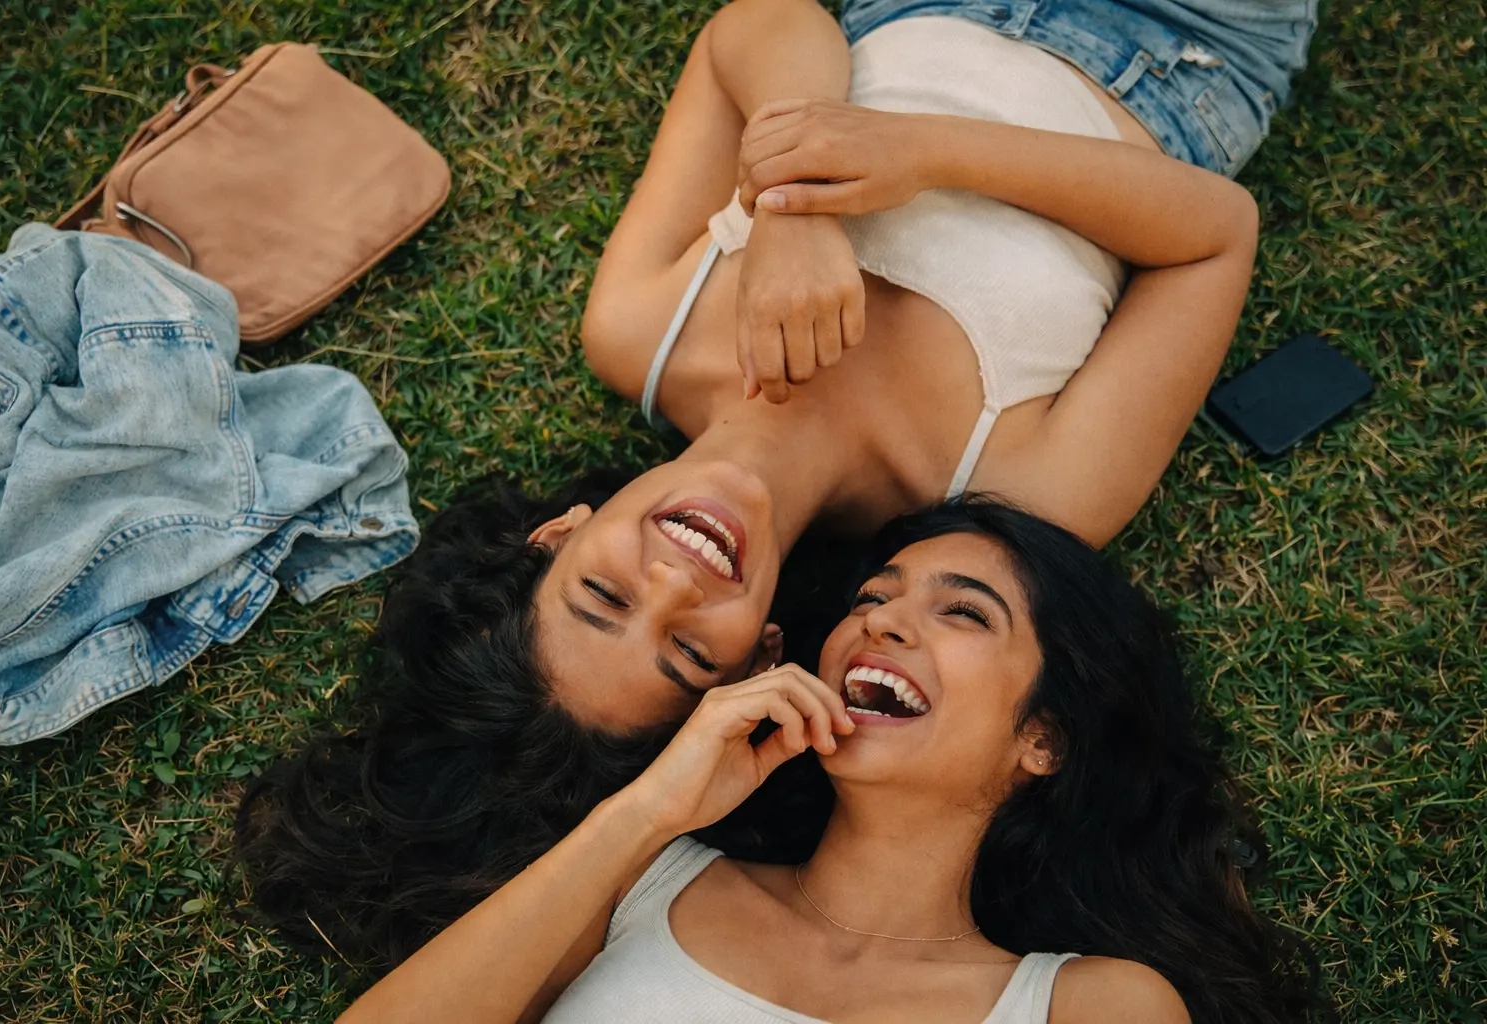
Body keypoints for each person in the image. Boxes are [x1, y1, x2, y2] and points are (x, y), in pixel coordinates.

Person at [236, 0, 1318, 966]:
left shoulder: (638, 332)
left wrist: (804, 213)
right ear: (759, 654)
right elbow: (1215, 235)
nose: (677, 581)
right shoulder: (1012, 497)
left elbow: (753, 29)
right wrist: (918, 154)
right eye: (688, 648)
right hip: (1183, 47)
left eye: (604, 596)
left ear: (556, 534)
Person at [335, 498, 1324, 1024]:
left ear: (1045, 739)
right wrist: (646, 810)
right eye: (873, 597)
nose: (882, 619)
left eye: (962, 612)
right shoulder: (642, 878)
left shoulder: (1090, 1006)